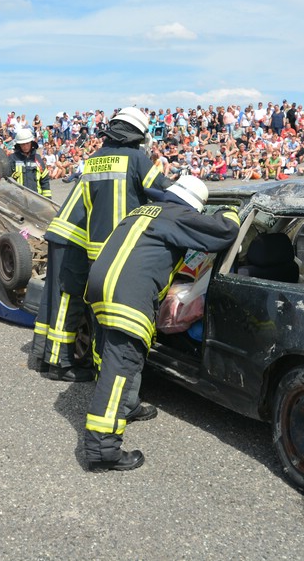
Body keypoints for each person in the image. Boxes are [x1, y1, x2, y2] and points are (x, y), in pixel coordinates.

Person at [83, 175, 239, 470]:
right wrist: (230, 212)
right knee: (121, 366)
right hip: (128, 295)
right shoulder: (179, 215)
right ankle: (102, 448)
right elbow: (224, 232)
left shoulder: (146, 209)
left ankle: (126, 406)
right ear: (193, 205)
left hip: (101, 286)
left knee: (115, 356)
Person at [32, 107, 173, 382]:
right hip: (77, 238)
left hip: (70, 234)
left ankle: (45, 357)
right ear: (137, 135)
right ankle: (59, 365)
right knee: (68, 299)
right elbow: (164, 192)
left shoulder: (96, 158)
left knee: (59, 297)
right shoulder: (136, 158)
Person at [7, 128, 52, 197]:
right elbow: (6, 180)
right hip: (19, 199)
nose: (25, 147)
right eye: (22, 144)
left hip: (37, 199)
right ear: (18, 145)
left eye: (27, 143)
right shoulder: (12, 159)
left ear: (31, 143)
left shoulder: (37, 159)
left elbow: (45, 180)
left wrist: (48, 199)